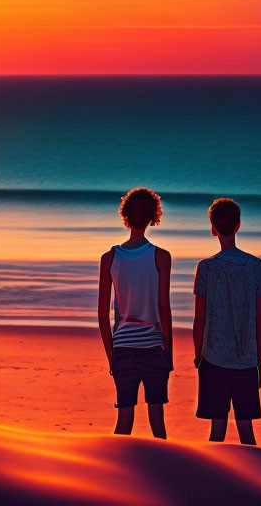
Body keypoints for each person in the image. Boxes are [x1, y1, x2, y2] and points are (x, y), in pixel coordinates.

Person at [97, 188, 173, 438]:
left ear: (125, 216)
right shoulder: (161, 257)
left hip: (122, 347)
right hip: (153, 346)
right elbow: (163, 309)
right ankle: (163, 474)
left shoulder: (110, 257)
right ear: (154, 217)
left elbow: (102, 315)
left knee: (124, 422)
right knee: (157, 424)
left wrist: (111, 355)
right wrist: (168, 353)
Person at [193, 198, 261, 445]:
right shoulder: (256, 266)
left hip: (213, 357)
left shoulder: (205, 268)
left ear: (213, 228)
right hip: (246, 358)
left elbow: (199, 319)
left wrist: (198, 354)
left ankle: (214, 482)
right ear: (238, 226)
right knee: (246, 430)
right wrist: (259, 359)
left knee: (217, 431)